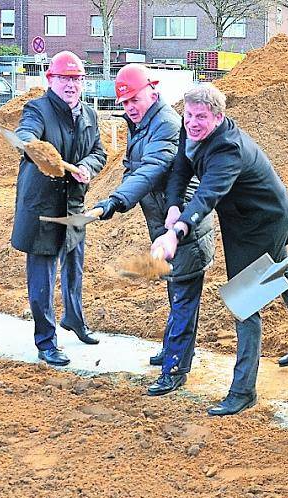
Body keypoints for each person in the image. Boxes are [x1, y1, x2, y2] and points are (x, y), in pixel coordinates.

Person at [152, 84, 288, 416]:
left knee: (244, 302)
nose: (192, 122)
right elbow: (180, 168)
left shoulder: (228, 150)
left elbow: (207, 195)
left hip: (263, 221)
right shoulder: (191, 129)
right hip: (241, 217)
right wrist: (173, 204)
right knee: (279, 269)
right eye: (188, 115)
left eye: (201, 117)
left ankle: (243, 390)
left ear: (219, 117)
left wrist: (177, 231)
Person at [91, 64, 215, 396]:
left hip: (185, 225)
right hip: (163, 222)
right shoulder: (141, 124)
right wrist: (118, 196)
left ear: (153, 91)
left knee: (184, 296)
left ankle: (175, 368)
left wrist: (117, 200)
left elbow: (152, 168)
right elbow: (134, 168)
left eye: (135, 99)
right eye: (125, 102)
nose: (130, 107)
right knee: (175, 290)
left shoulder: (166, 125)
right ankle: (171, 349)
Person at [11, 51, 106, 367]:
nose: (71, 84)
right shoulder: (37, 109)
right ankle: (46, 341)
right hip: (42, 207)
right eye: (64, 78)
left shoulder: (89, 115)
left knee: (74, 267)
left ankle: (74, 319)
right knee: (42, 278)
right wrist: (32, 146)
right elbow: (26, 134)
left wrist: (87, 166)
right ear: (50, 79)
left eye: (76, 79)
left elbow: (99, 152)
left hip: (74, 204)